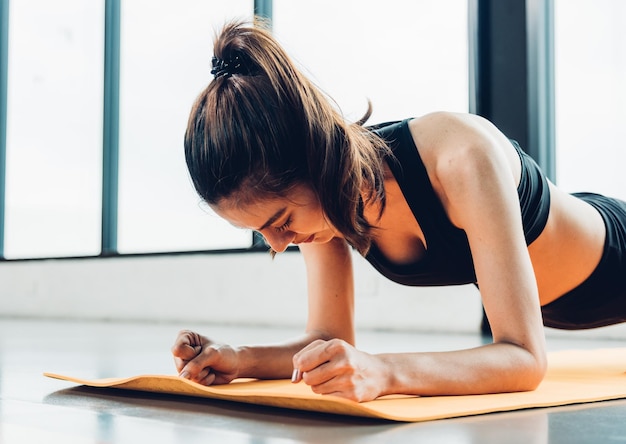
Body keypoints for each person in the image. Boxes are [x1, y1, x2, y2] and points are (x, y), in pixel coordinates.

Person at [171, 20, 626, 402]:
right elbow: (329, 339)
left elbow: (525, 358)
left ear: (314, 160)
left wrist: (385, 372)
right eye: (261, 232)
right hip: (567, 302)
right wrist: (238, 357)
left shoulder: (461, 157)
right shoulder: (323, 213)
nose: (278, 243)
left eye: (281, 221)